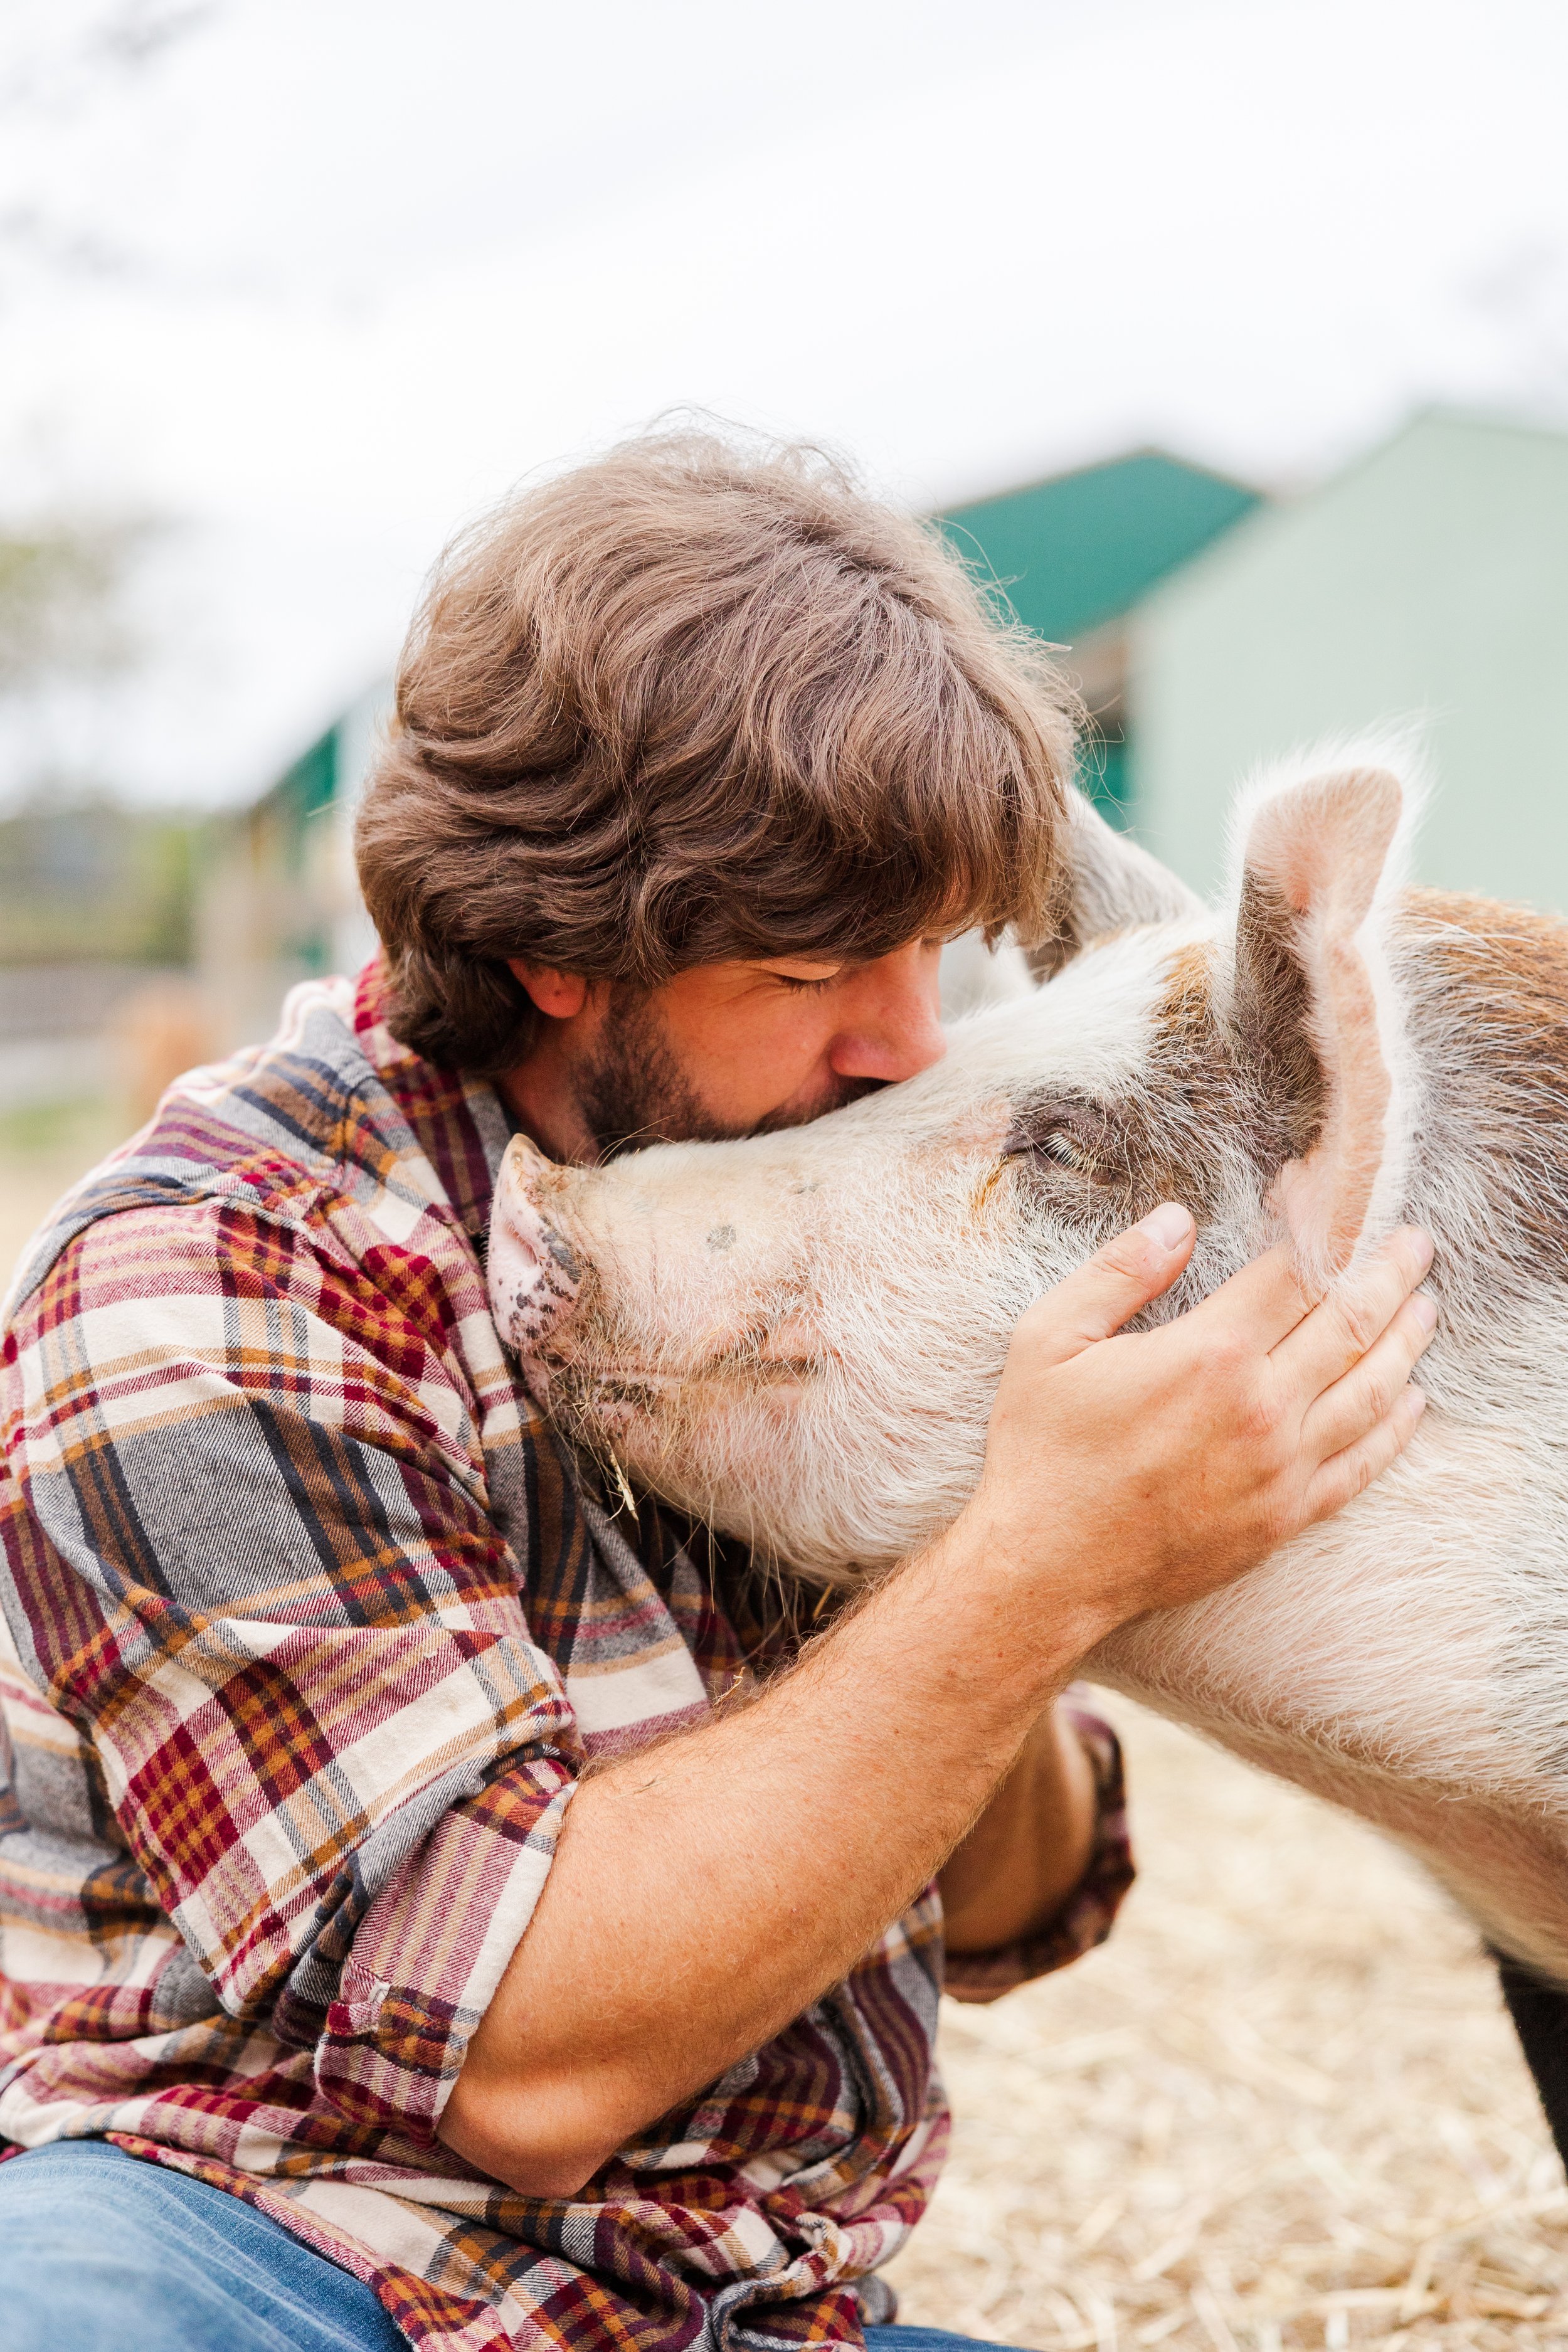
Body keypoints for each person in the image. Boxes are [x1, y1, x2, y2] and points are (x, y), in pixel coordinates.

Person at [0, 431, 1434, 2352]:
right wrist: (1030, 1562)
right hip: (279, 2262)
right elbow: (510, 2059)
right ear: (545, 948)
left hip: (732, 2319)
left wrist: (998, 1538)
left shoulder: (797, 1198)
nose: (905, 1041)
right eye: (806, 967)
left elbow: (1022, 1907)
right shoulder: (205, 1287)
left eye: (928, 952)